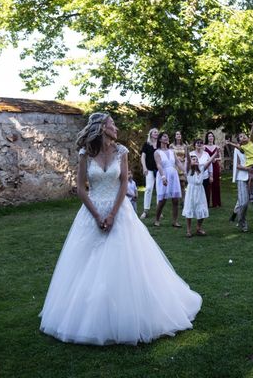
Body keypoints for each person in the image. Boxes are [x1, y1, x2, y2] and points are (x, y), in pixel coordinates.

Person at [39, 113, 201, 345]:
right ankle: (89, 314)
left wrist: (113, 214)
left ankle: (130, 312)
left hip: (120, 211)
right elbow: (81, 188)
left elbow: (124, 182)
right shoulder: (86, 154)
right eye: (112, 124)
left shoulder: (121, 152)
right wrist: (97, 215)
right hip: (92, 212)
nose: (116, 127)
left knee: (126, 262)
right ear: (102, 128)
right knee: (87, 264)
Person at [228, 138, 253, 233]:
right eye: (240, 137)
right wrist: (247, 168)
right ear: (238, 142)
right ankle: (243, 224)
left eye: (244, 136)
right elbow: (237, 165)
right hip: (242, 178)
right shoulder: (237, 150)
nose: (243, 138)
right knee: (243, 203)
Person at [226, 120, 253, 199]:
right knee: (251, 178)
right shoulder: (241, 147)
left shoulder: (250, 141)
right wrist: (229, 143)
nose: (244, 136)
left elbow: (251, 133)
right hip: (250, 162)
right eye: (241, 136)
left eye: (244, 135)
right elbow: (235, 146)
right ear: (240, 141)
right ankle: (250, 194)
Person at [182, 150, 218, 237]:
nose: (196, 161)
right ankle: (188, 230)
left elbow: (209, 161)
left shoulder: (201, 169)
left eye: (197, 160)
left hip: (200, 191)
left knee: (202, 208)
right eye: (194, 160)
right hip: (191, 191)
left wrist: (216, 153)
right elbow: (188, 160)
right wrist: (187, 150)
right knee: (190, 209)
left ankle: (198, 228)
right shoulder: (188, 170)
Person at [154, 131, 185, 227]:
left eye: (167, 137)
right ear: (160, 139)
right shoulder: (157, 152)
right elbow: (159, 165)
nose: (166, 138)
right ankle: (157, 219)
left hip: (173, 175)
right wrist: (163, 177)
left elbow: (178, 163)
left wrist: (185, 172)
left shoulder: (172, 151)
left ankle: (175, 221)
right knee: (162, 200)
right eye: (164, 136)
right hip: (163, 175)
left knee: (175, 200)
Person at [139, 128, 159, 219]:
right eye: (155, 132)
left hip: (159, 170)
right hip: (149, 170)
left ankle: (159, 210)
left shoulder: (160, 145)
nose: (156, 133)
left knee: (160, 190)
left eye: (157, 132)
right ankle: (146, 210)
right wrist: (144, 167)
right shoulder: (146, 144)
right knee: (148, 189)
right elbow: (143, 157)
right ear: (150, 134)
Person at [204, 131, 222, 208]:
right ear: (207, 138)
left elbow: (220, 157)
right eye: (209, 136)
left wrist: (216, 159)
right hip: (207, 166)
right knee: (207, 184)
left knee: (216, 184)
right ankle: (206, 202)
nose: (211, 138)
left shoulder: (217, 147)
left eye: (212, 136)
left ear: (213, 138)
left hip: (215, 166)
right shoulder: (204, 147)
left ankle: (216, 203)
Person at [170, 131, 189, 201]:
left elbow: (187, 157)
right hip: (175, 166)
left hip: (182, 165)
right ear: (175, 136)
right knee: (175, 184)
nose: (178, 135)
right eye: (177, 134)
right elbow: (170, 157)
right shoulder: (171, 146)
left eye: (180, 134)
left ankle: (184, 200)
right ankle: (175, 199)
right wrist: (177, 159)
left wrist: (185, 166)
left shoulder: (184, 146)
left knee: (183, 184)